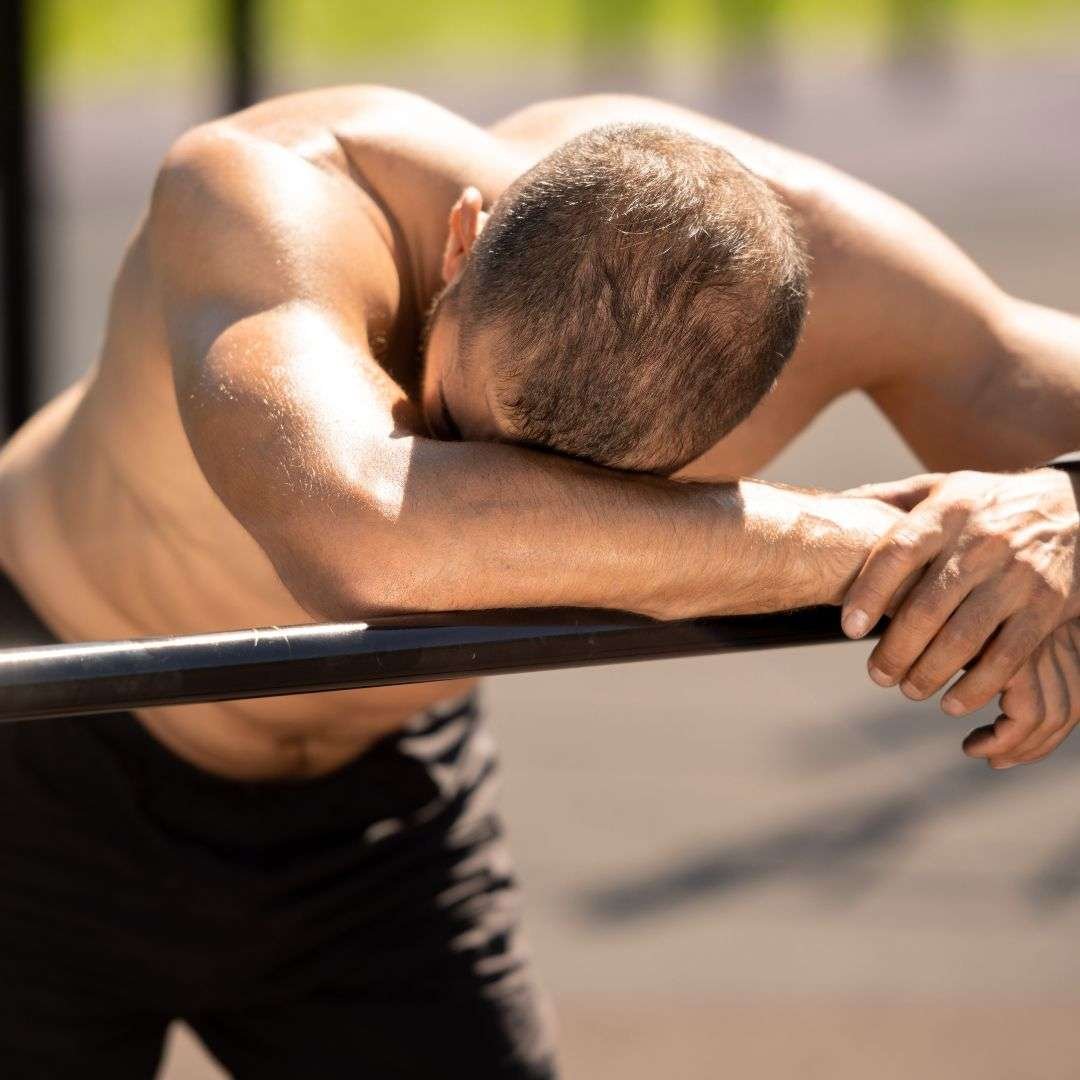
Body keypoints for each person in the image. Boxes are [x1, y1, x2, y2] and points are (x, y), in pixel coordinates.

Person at [0, 86, 1075, 1077]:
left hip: (375, 818)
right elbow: (368, 539)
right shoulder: (282, 189)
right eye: (459, 441)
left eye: (611, 495)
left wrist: (1061, 512)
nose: (517, 533)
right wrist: (875, 544)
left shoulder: (847, 272)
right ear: (461, 245)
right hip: (40, 756)